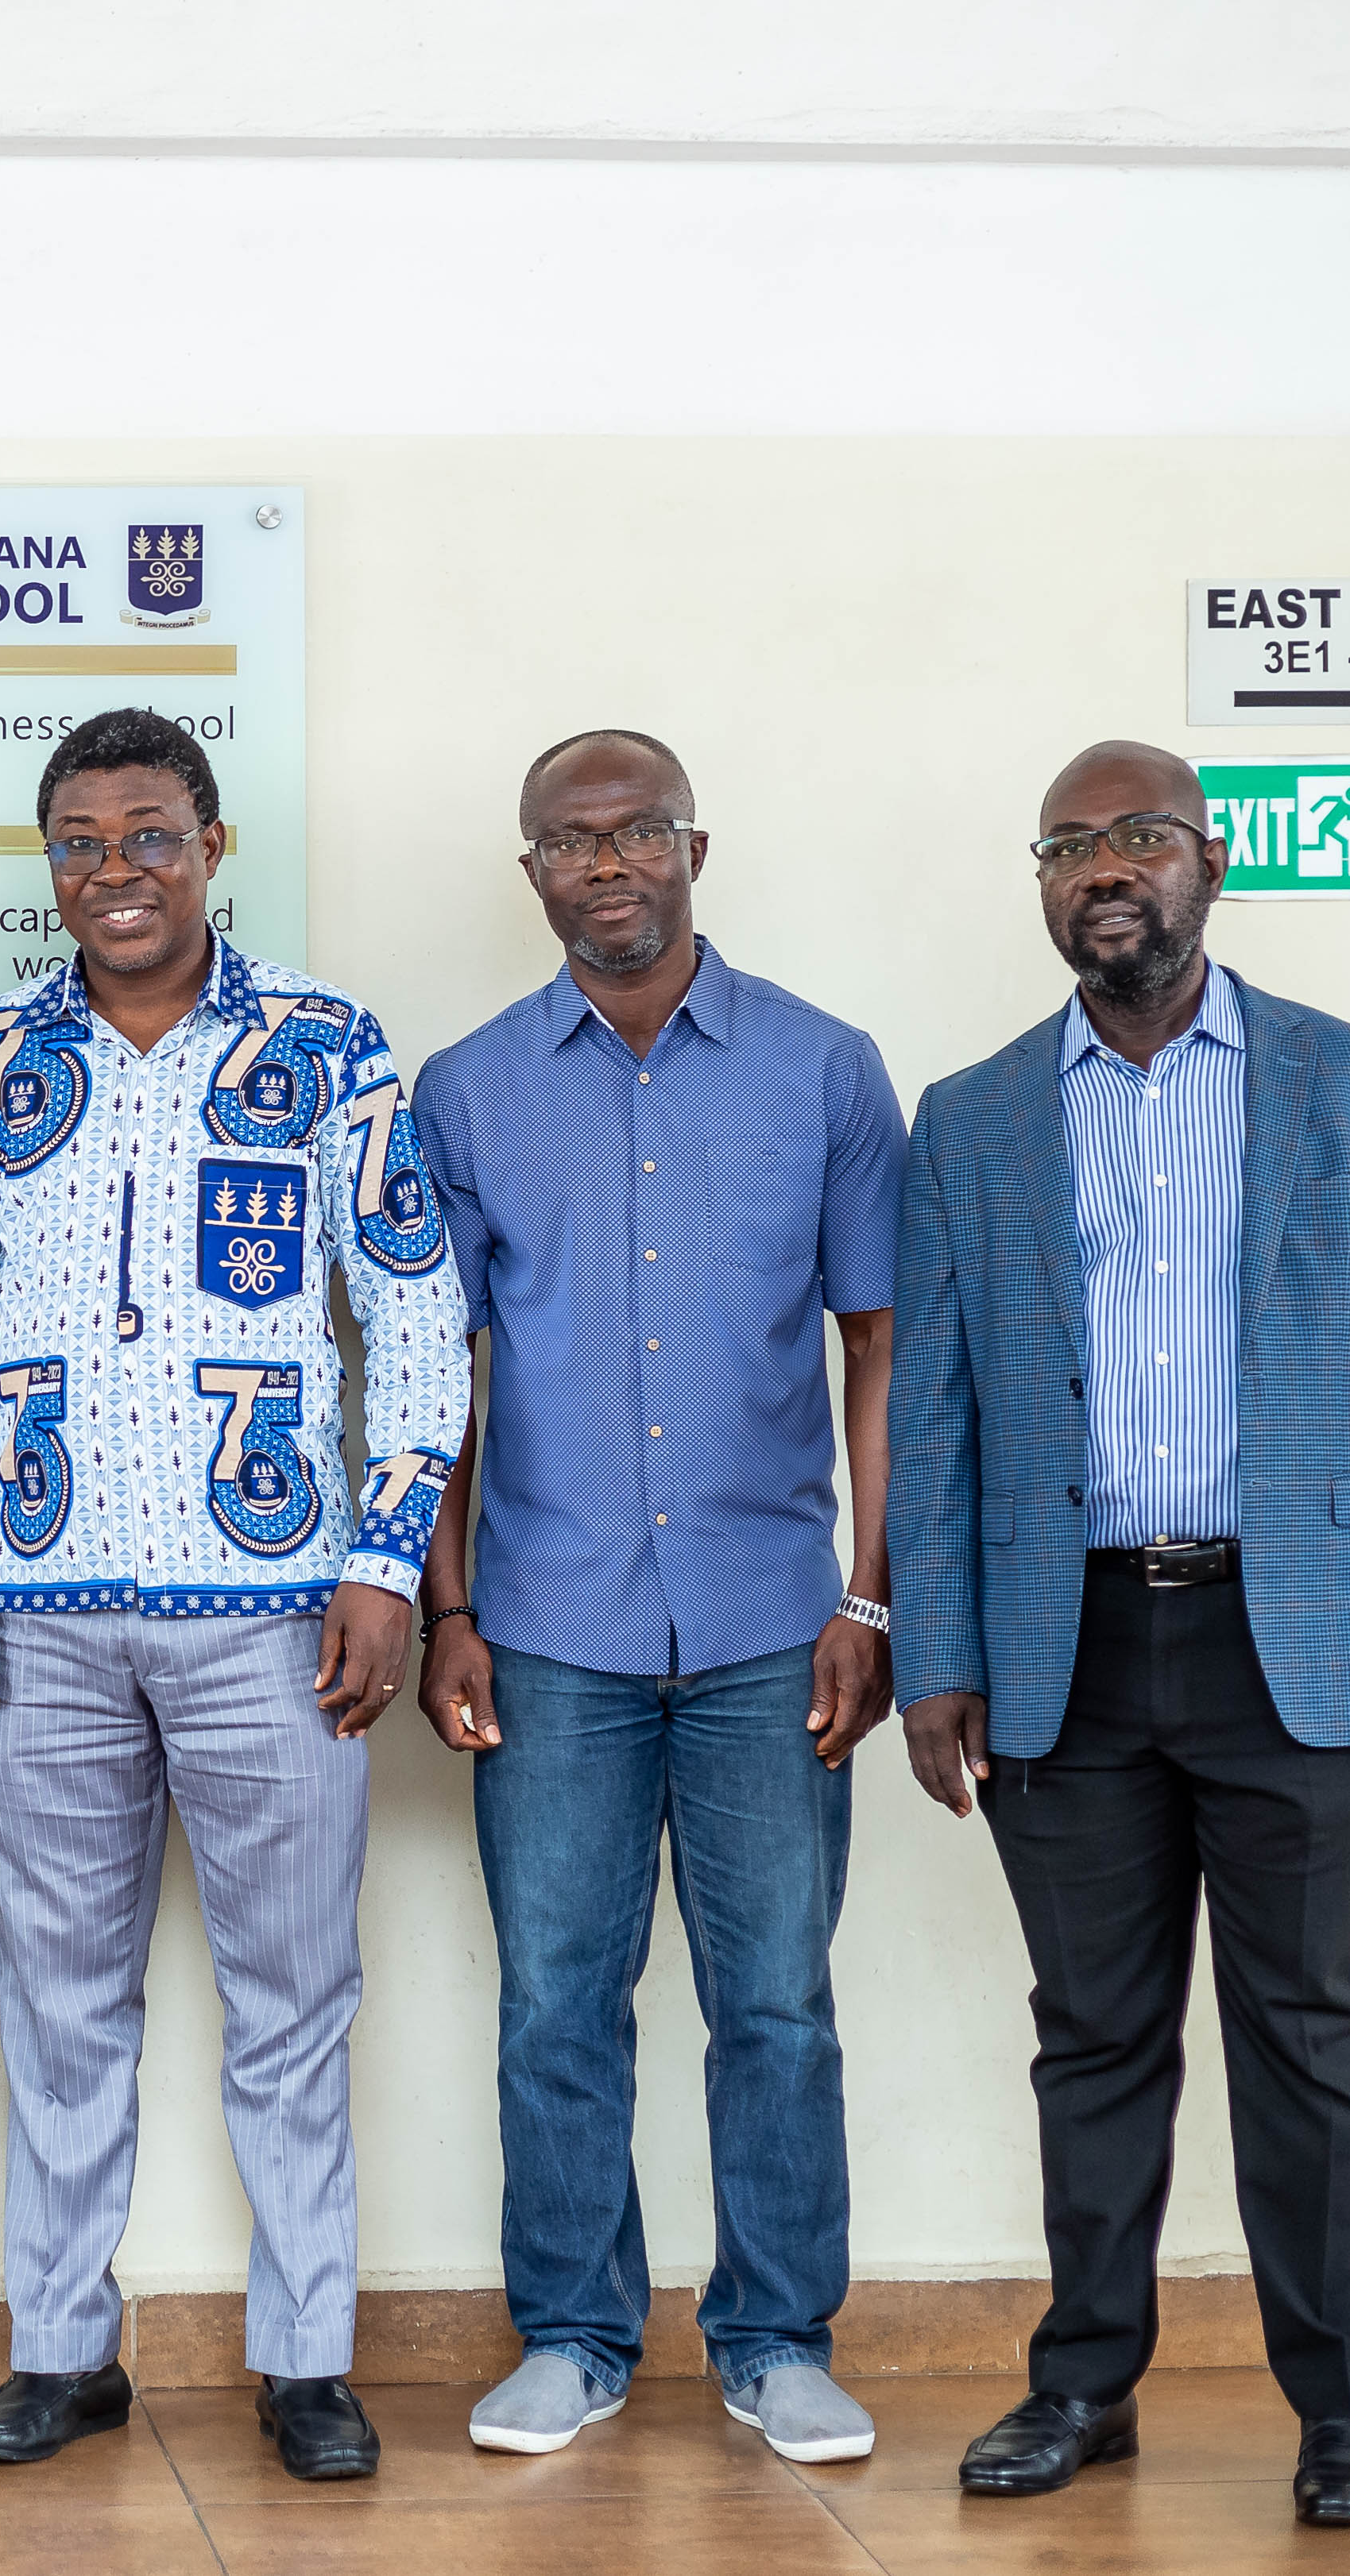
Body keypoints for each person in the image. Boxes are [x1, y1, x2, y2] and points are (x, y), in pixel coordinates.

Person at [890, 739, 1350, 2528]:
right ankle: (1081, 2381)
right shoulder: (973, 1114)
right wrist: (938, 1648)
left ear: (1208, 862)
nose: (1105, 867)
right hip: (1057, 1637)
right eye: (1069, 844)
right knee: (1091, 2032)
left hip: (1294, 1632)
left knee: (1307, 2030)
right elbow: (933, 1410)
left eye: (1138, 835)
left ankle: (1342, 2408)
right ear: (1043, 883)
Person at [0, 708, 470, 2481]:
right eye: (77, 839)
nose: (111, 870)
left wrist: (382, 1561)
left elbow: (418, 1308)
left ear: (213, 844)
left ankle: (305, 2356)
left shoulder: (325, 1041)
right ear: (47, 860)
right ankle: (64, 2349)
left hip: (273, 1615)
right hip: (40, 1612)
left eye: (146, 834)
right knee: (59, 2000)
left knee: (296, 1995)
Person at [408, 730, 906, 2463]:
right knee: (556, 1994)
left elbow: (881, 1346)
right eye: (567, 841)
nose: (603, 864)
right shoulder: (464, 1092)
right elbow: (432, 1370)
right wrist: (448, 1607)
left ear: (696, 844)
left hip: (777, 1618)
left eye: (634, 834)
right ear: (531, 869)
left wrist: (872, 1600)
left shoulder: (826, 1070)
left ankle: (776, 2338)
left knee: (774, 1994)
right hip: (546, 1629)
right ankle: (570, 2331)